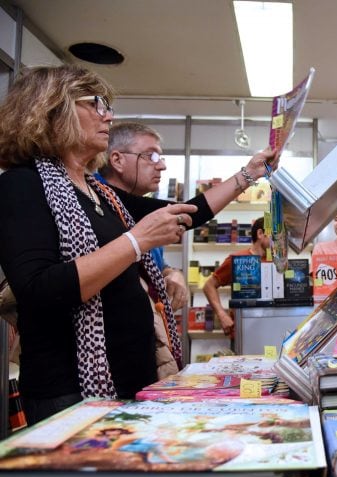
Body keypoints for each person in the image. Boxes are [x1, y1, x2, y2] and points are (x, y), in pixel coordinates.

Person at [0, 64, 277, 425]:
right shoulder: (21, 186)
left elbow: (190, 211)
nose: (108, 115)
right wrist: (137, 240)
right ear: (54, 109)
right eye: (96, 104)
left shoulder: (100, 192)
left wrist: (249, 173)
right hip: (70, 391)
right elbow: (38, 288)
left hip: (129, 379)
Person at [99, 121, 187, 311]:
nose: (162, 165)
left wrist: (172, 273)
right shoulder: (96, 207)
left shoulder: (142, 211)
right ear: (117, 160)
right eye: (151, 156)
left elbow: (156, 262)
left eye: (160, 157)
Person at [203, 218, 272, 338]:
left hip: (271, 328)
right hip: (243, 331)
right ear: (260, 234)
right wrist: (221, 314)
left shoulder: (276, 262)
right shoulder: (237, 259)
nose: (277, 240)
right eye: (274, 235)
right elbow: (209, 285)